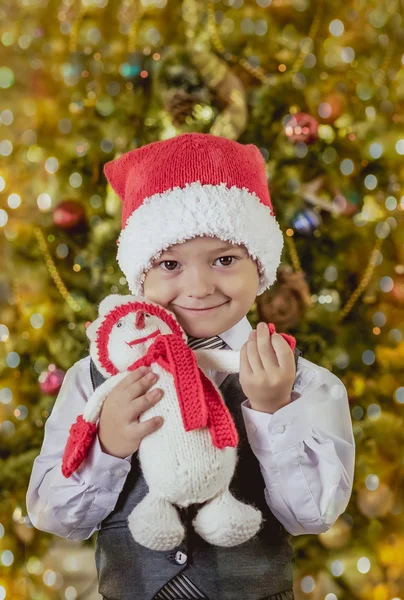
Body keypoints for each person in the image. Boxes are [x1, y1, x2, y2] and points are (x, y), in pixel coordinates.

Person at [26, 132, 355, 600]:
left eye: (224, 259)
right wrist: (107, 445)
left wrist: (272, 411)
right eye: (169, 264)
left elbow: (312, 515)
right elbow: (54, 515)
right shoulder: (94, 377)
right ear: (140, 273)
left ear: (258, 265)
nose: (199, 287)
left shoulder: (301, 381)